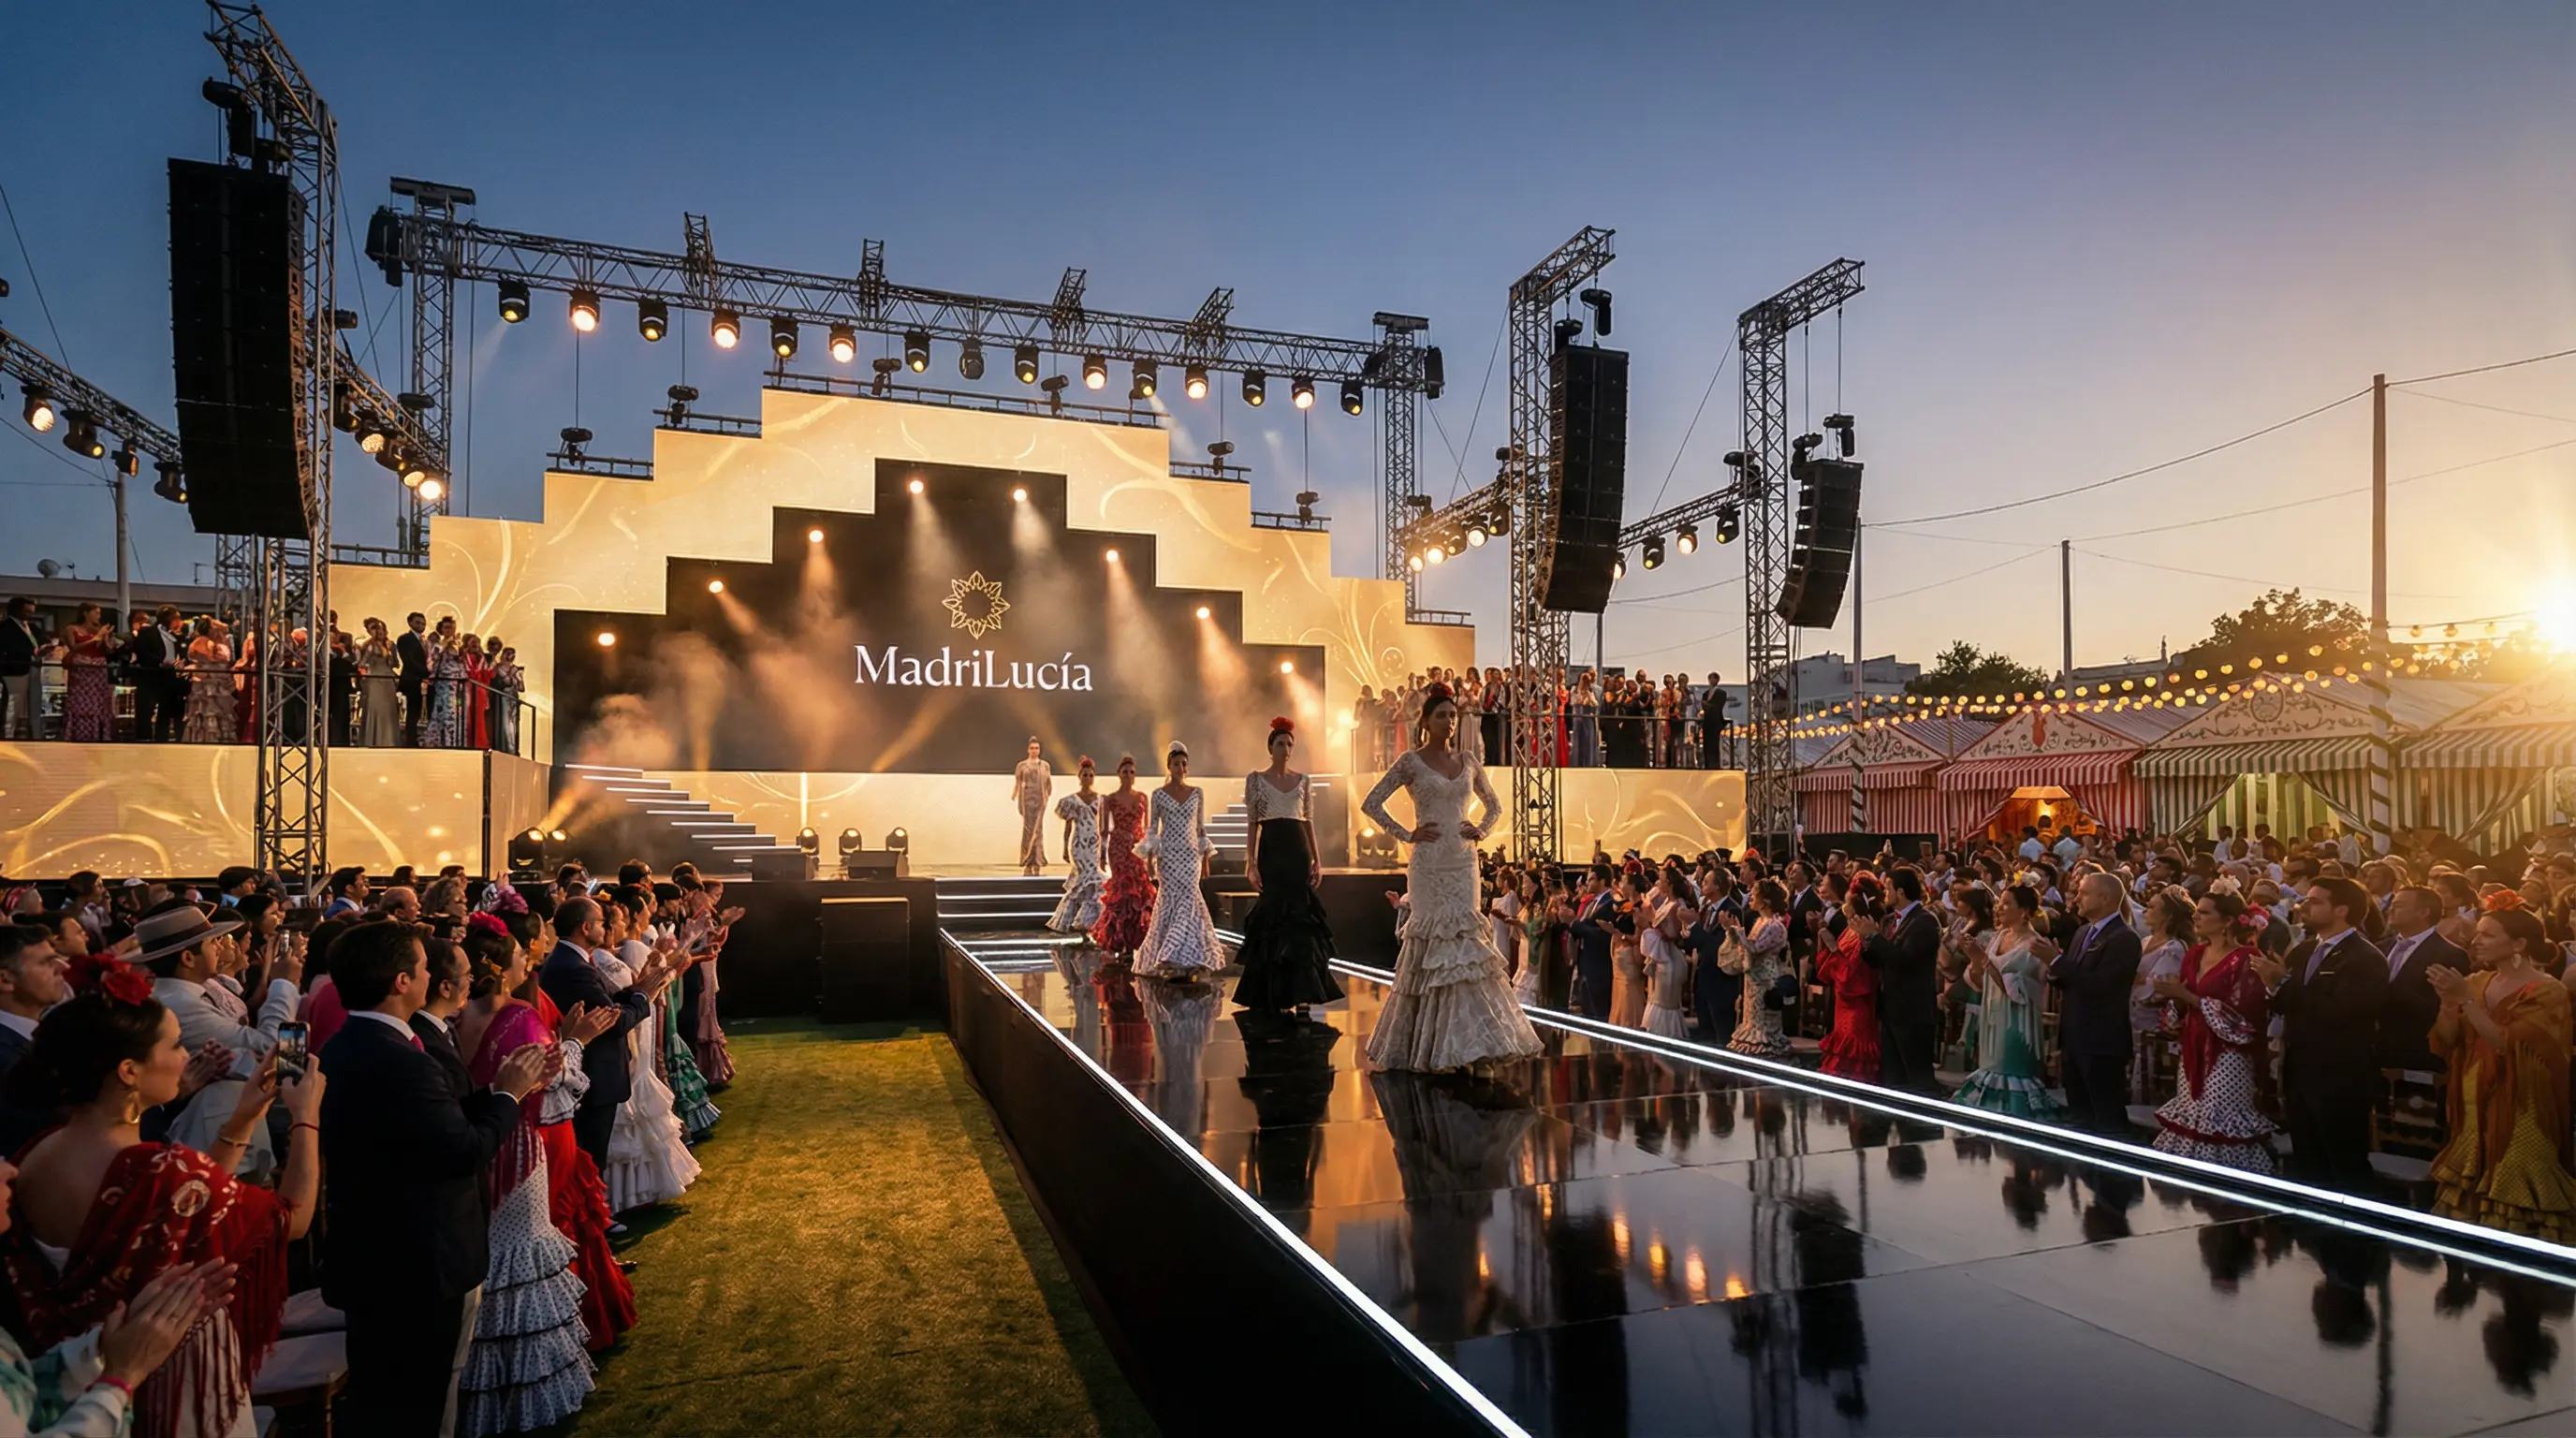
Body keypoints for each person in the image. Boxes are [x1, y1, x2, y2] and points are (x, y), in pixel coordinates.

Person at [7, 956, 321, 1438]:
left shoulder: (34, 1156)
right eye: (173, 1045)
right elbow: (292, 1220)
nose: (184, 1056)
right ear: (129, 1071)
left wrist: (241, 1119)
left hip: (73, 1383)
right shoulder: (159, 1171)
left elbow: (184, 1202)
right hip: (177, 1385)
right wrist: (306, 1117)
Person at [319, 920, 552, 1437]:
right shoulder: (399, 1059)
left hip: (379, 1256)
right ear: (402, 982)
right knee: (417, 1402)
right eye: (425, 967)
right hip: (416, 1263)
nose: (433, 976)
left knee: (393, 1398)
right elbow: (462, 1149)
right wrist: (510, 1096)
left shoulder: (351, 1044)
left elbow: (432, 1123)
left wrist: (494, 1091)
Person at [452, 920, 609, 1435]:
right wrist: (578, 1041)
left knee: (490, 1258)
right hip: (519, 1144)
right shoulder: (518, 1016)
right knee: (522, 1259)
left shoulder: (451, 1021)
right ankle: (528, 1389)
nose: (529, 959)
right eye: (522, 952)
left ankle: (479, 1383)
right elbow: (558, 1079)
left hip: (478, 1141)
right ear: (501, 967)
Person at [1358, 683, 1543, 1071]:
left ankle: (1473, 1044)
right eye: (1441, 715)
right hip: (1427, 866)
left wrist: (1482, 829)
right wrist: (1407, 834)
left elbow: (1494, 805)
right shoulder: (1410, 761)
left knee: (1467, 951)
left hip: (1463, 864)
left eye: (1453, 715)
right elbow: (1371, 803)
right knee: (1432, 948)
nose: (1449, 721)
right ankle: (1431, 1048)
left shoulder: (1469, 760)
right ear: (1425, 721)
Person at [2423, 899, 2576, 1240]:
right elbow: (2448, 1041)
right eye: (2477, 934)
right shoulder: (2477, 981)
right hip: (2473, 1098)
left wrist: (2464, 1000)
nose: (2475, 942)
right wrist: (2448, 1003)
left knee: (2518, 1177)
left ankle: (2525, 1280)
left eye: (2488, 936)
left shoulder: (2547, 990)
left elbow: (2506, 1044)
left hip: (2524, 1105)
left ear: (2519, 944)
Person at [2252, 876, 2387, 1193]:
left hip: (2340, 1073)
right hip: (2299, 1069)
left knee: (2344, 1162)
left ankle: (2354, 1232)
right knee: (2307, 1162)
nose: (2303, 907)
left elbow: (2342, 1012)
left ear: (2341, 909)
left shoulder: (2364, 958)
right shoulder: (2303, 952)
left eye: (2315, 902)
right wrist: (2272, 984)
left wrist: (2283, 982)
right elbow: (2287, 1005)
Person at [2148, 891, 2279, 1175]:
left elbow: (2245, 1018)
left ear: (2228, 921)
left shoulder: (2246, 958)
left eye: (2205, 912)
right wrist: (2175, 997)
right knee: (2191, 1114)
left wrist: (2188, 997)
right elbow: (2180, 1005)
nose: (2196, 916)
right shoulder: (2194, 954)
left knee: (2221, 1121)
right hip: (2191, 1050)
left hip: (2228, 1057)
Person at [536, 898, 658, 1177]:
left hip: (591, 1070)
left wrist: (632, 993)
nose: (606, 929)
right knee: (591, 1155)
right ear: (586, 926)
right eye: (602, 922)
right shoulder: (573, 967)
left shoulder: (571, 961)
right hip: (593, 1073)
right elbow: (611, 1021)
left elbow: (606, 1004)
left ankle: (595, 1213)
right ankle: (593, 1216)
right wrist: (643, 997)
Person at [1234, 719, 1343, 1013]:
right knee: (1273, 916)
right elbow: (1252, 823)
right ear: (1270, 747)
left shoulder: (1303, 780)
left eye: (1290, 744)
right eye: (1280, 743)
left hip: (1297, 851)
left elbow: (1309, 822)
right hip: (1272, 849)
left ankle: (1304, 992)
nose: (1286, 748)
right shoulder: (1256, 779)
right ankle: (1275, 993)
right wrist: (1251, 863)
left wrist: (1318, 860)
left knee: (1300, 918)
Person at [1952, 884, 2063, 1119]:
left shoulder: (2033, 944)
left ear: (2023, 911)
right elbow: (1983, 981)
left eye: (2006, 903)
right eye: (1999, 902)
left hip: (2017, 1023)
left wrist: (1981, 958)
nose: (1999, 908)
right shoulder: (1999, 936)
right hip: (1992, 1016)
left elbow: (2017, 991)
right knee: (1989, 1067)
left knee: (2008, 1070)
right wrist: (1974, 961)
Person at [2048, 873, 2144, 1136]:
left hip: (2101, 1042)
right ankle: (2086, 1173)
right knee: (2079, 1117)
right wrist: (2054, 967)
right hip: (2074, 1037)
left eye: (2084, 892)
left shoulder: (2124, 938)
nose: (2077, 897)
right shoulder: (2082, 932)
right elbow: (2073, 979)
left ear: (2105, 898)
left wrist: (2058, 963)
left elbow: (2100, 985)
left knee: (2107, 1118)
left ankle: (2116, 1174)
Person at [1132, 742, 1224, 982]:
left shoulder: (1197, 792)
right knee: (1171, 901)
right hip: (1169, 857)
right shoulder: (1159, 795)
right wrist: (1150, 861)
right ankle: (1172, 958)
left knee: (1190, 901)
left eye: (1184, 764)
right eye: (1176, 764)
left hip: (1191, 855)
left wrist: (1205, 860)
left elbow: (1201, 828)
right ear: (1169, 767)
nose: (1181, 768)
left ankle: (1190, 959)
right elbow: (1153, 829)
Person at [1866, 866, 1944, 1095]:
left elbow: (1905, 959)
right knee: (1893, 1074)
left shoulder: (1925, 921)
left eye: (1887, 887)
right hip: (1891, 1007)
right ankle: (1901, 1121)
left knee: (1918, 1074)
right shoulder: (1891, 920)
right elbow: (1880, 959)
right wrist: (1865, 941)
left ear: (1900, 891)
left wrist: (1874, 937)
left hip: (1913, 1008)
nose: (1884, 893)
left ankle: (1927, 1125)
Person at [2376, 884, 2463, 1077]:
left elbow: (2446, 1008)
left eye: (2400, 905)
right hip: (2376, 1053)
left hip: (2418, 1057)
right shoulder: (2379, 949)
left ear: (2423, 912)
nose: (2392, 909)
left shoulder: (2449, 955)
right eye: (2393, 904)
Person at [1815, 878, 1883, 1081]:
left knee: (1855, 1046)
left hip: (1856, 1001)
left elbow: (1852, 974)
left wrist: (1833, 948)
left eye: (1847, 903)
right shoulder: (1849, 930)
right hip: (1842, 1001)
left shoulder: (1862, 934)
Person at [2130, 888, 2193, 1102]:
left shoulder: (2173, 948)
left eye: (2152, 907)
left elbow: (2159, 987)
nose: (2146, 910)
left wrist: (2137, 979)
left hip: (2153, 1029)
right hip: (2133, 1021)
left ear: (2168, 915)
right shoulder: (2145, 941)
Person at [1721, 879, 1794, 1058]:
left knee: (1764, 1019)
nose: (1751, 898)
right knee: (1751, 1016)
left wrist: (1737, 933)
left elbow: (1754, 948)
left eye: (1755, 895)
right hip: (1754, 976)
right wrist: (1735, 933)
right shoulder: (1760, 922)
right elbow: (1747, 948)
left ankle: (1765, 1047)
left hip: (1766, 978)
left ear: (1767, 900)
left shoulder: (1775, 925)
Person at [1639, 869, 1695, 1039]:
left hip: (1670, 958)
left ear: (1669, 883)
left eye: (1661, 880)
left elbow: (1672, 934)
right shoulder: (1666, 902)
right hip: (1661, 957)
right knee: (1654, 999)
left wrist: (1649, 921)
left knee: (1665, 1002)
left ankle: (1667, 1039)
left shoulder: (1677, 905)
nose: (1658, 883)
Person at [54, 605, 112, 744]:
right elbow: (73, 647)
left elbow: (107, 651)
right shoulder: (72, 628)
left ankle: (97, 733)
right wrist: (95, 638)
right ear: (86, 613)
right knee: (79, 701)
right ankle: (76, 732)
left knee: (98, 701)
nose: (98, 616)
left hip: (98, 668)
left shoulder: (99, 630)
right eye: (96, 613)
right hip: (81, 667)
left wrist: (105, 638)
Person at [1566, 869, 1617, 1021]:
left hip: (1599, 965)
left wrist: (1573, 923)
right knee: (1588, 1012)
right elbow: (1582, 927)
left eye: (1591, 879)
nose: (1586, 883)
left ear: (1602, 881)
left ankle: (1602, 1043)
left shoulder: (1610, 904)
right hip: (1585, 963)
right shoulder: (1591, 902)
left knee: (1599, 1012)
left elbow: (1601, 936)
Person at [181, 620, 234, 744]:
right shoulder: (208, 643)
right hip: (209, 683)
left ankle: (201, 737)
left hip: (203, 682)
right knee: (209, 711)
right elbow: (210, 662)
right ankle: (209, 738)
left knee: (202, 712)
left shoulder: (198, 642)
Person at [357, 618, 402, 747]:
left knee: (388, 711)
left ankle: (389, 741)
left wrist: (390, 655)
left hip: (388, 680)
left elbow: (396, 664)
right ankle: (371, 740)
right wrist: (369, 668)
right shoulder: (370, 646)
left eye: (383, 628)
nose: (381, 631)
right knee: (375, 709)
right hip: (374, 680)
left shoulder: (391, 644)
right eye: (377, 629)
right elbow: (362, 663)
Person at [1011, 738, 1052, 876]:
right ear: (1028, 749)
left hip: (1040, 801)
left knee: (1038, 832)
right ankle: (1027, 861)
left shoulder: (1044, 765)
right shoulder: (1022, 766)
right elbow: (1018, 783)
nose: (1035, 750)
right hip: (1027, 801)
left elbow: (1048, 784)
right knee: (1028, 830)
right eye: (1032, 748)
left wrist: (1046, 797)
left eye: (1037, 748)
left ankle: (1037, 862)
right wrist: (1015, 795)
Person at [0, 599, 38, 741]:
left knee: (28, 702)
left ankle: (30, 731)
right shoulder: (6, 627)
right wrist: (31, 652)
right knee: (13, 701)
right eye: (27, 612)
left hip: (30, 667)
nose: (30, 615)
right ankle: (8, 733)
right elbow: (10, 647)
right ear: (17, 610)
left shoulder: (29, 626)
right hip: (14, 669)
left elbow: (38, 640)